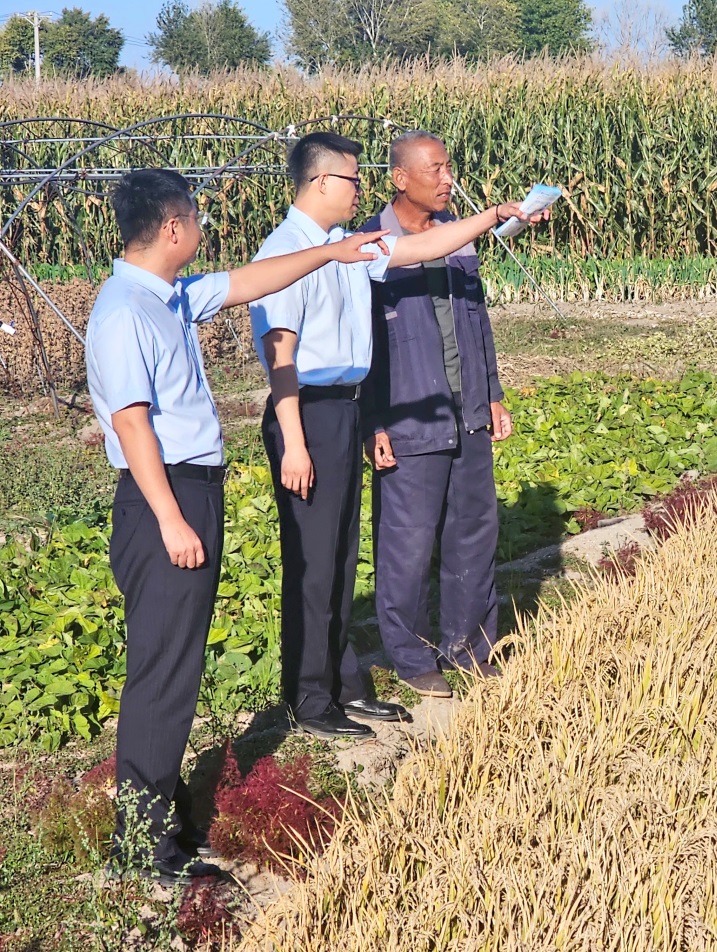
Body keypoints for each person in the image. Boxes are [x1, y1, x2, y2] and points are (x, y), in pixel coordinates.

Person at [85, 168, 389, 886]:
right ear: (171, 228)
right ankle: (144, 850)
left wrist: (330, 254)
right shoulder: (124, 310)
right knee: (160, 677)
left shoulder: (170, 296)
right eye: (195, 217)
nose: (202, 228)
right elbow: (131, 425)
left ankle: (165, 824)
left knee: (178, 670)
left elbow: (251, 281)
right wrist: (170, 520)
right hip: (165, 499)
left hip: (191, 492)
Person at [249, 132, 542, 740]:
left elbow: (421, 248)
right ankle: (311, 698)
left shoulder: (345, 244)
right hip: (310, 411)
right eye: (353, 179)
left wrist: (491, 216)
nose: (361, 188)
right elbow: (281, 354)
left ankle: (341, 687)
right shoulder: (284, 250)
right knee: (315, 563)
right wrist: (296, 440)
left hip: (345, 407)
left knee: (338, 557)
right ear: (322, 182)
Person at [360, 131, 513, 699]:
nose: (449, 178)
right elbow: (365, 348)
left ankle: (470, 645)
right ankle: (412, 654)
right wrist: (373, 423)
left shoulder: (460, 243)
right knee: (408, 541)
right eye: (437, 169)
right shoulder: (371, 247)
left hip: (467, 408)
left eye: (450, 167)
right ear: (400, 178)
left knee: (473, 531)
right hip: (408, 419)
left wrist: (492, 392)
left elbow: (478, 321)